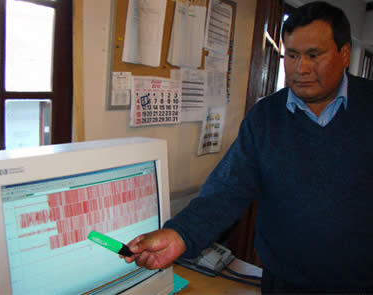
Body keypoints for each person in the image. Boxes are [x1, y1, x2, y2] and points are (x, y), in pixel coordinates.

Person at [123, 1, 373, 293]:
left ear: (344, 54)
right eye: (291, 55)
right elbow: (227, 189)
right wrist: (180, 234)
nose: (301, 68)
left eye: (313, 55)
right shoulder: (265, 117)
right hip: (283, 283)